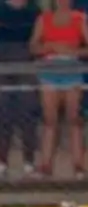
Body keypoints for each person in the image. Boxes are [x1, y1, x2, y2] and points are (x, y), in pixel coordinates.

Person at [0, 0, 40, 178]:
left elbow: (37, 40)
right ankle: (2, 162)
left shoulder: (34, 10)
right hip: (1, 66)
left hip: (26, 66)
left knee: (28, 115)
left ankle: (29, 162)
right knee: (3, 115)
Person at [30, 0, 88, 177]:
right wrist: (49, 47)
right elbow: (33, 47)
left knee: (74, 120)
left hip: (72, 72)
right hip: (49, 73)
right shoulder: (43, 19)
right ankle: (46, 165)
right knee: (49, 121)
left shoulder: (80, 19)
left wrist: (73, 52)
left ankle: (78, 165)